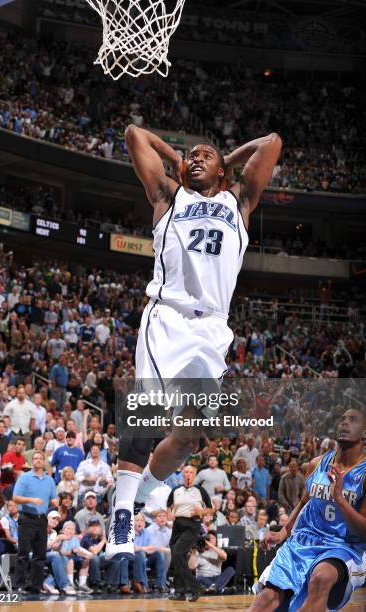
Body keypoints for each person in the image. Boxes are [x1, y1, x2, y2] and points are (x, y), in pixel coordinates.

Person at [106, 124, 282, 560]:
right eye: (192, 156)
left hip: (211, 329)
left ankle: (146, 487)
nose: (197, 158)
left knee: (189, 435)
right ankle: (122, 514)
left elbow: (272, 142)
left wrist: (226, 161)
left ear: (223, 172)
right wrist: (180, 162)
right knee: (146, 412)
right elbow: (133, 135)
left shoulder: (239, 202)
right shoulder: (169, 196)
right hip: (169, 316)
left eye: (207, 155)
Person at [249, 409, 366, 612]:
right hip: (303, 541)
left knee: (321, 577)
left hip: (343, 546)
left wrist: (340, 499)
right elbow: (304, 503)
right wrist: (283, 532)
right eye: (342, 418)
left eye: (353, 420)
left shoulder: (363, 475)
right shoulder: (316, 464)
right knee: (265, 600)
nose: (345, 422)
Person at [167, 465, 215, 601]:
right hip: (177, 525)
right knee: (177, 557)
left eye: (190, 472)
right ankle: (180, 591)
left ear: (194, 475)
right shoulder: (176, 490)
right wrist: (169, 513)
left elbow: (211, 509)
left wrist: (201, 512)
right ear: (183, 475)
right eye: (186, 472)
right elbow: (169, 505)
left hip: (192, 524)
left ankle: (195, 587)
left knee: (178, 554)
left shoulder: (200, 490)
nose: (188, 475)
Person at [12, 449, 57, 594]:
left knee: (40, 555)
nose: (38, 460)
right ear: (32, 462)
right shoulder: (24, 477)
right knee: (23, 553)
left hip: (42, 520)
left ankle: (36, 586)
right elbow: (15, 498)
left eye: (40, 458)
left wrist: (56, 501)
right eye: (35, 458)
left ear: (44, 462)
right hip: (26, 518)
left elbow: (53, 498)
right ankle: (20, 585)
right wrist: (31, 500)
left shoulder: (49, 480)